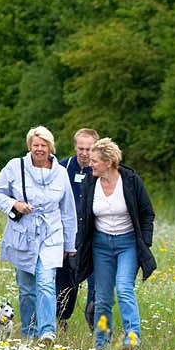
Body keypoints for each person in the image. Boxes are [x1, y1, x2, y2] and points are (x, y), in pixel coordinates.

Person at [0, 126, 78, 342]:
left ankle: (47, 331)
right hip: (23, 235)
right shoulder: (14, 167)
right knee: (27, 288)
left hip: (51, 234)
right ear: (30, 146)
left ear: (50, 147)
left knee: (47, 283)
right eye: (36, 145)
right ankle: (29, 333)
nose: (39, 149)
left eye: (44, 145)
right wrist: (15, 204)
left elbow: (68, 211)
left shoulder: (61, 173)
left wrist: (70, 244)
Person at [74, 137, 156, 350]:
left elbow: (147, 213)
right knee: (102, 297)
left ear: (108, 162)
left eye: (94, 161)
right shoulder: (90, 183)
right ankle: (101, 345)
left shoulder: (131, 181)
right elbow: (84, 217)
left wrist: (144, 243)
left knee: (124, 288)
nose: (90, 164)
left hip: (127, 243)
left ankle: (132, 341)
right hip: (100, 245)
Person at [57, 127, 99, 332]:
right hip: (67, 236)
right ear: (75, 147)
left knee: (97, 285)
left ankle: (96, 322)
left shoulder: (100, 170)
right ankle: (60, 320)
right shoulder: (61, 168)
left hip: (93, 237)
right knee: (66, 283)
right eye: (80, 148)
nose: (84, 153)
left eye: (89, 149)